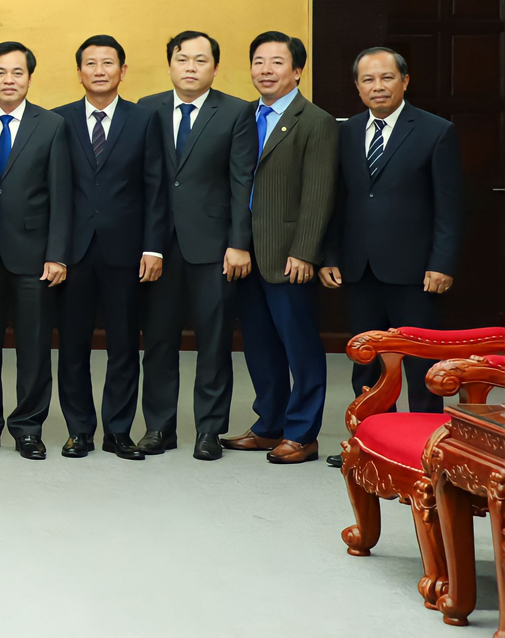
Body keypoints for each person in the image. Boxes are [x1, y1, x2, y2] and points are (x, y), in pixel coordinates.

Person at [321, 47, 462, 423]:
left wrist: (442, 262)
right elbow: (340, 201)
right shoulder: (347, 131)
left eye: (386, 77)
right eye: (368, 79)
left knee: (419, 362)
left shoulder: (436, 131)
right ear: (357, 86)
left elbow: (449, 207)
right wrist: (330, 256)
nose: (377, 86)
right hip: (359, 267)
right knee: (366, 360)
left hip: (416, 271)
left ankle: (423, 439)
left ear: (405, 80)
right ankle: (369, 437)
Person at [137, 31, 254, 462]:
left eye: (200, 60)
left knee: (214, 341)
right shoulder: (147, 109)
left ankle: (208, 429)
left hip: (215, 246)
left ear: (215, 68)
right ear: (169, 64)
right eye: (182, 59)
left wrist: (239, 243)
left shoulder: (236, 112)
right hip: (159, 247)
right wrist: (147, 245)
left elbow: (243, 180)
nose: (190, 67)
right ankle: (159, 427)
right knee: (159, 342)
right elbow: (143, 182)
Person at [225, 31, 337, 466]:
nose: (265, 70)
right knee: (260, 346)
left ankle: (302, 433)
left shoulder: (315, 121)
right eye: (258, 61)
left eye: (276, 62)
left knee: (300, 348)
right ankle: (268, 424)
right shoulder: (244, 116)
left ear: (297, 70)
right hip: (246, 254)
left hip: (289, 254)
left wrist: (306, 251)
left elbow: (319, 193)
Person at [54, 35, 167, 460]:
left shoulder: (144, 119)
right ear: (79, 72)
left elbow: (155, 188)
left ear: (123, 70)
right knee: (72, 346)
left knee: (123, 345)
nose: (99, 70)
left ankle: (118, 430)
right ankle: (79, 430)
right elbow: (55, 192)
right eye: (90, 63)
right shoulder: (58, 120)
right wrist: (55, 251)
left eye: (108, 63)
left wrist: (154, 247)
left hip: (127, 251)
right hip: (74, 253)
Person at [0, 41, 71, 460]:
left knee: (33, 347)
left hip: (35, 255)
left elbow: (62, 195)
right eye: (0, 72)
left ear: (29, 77)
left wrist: (57, 253)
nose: (9, 80)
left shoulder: (52, 125)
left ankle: (28, 428)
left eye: (18, 73)